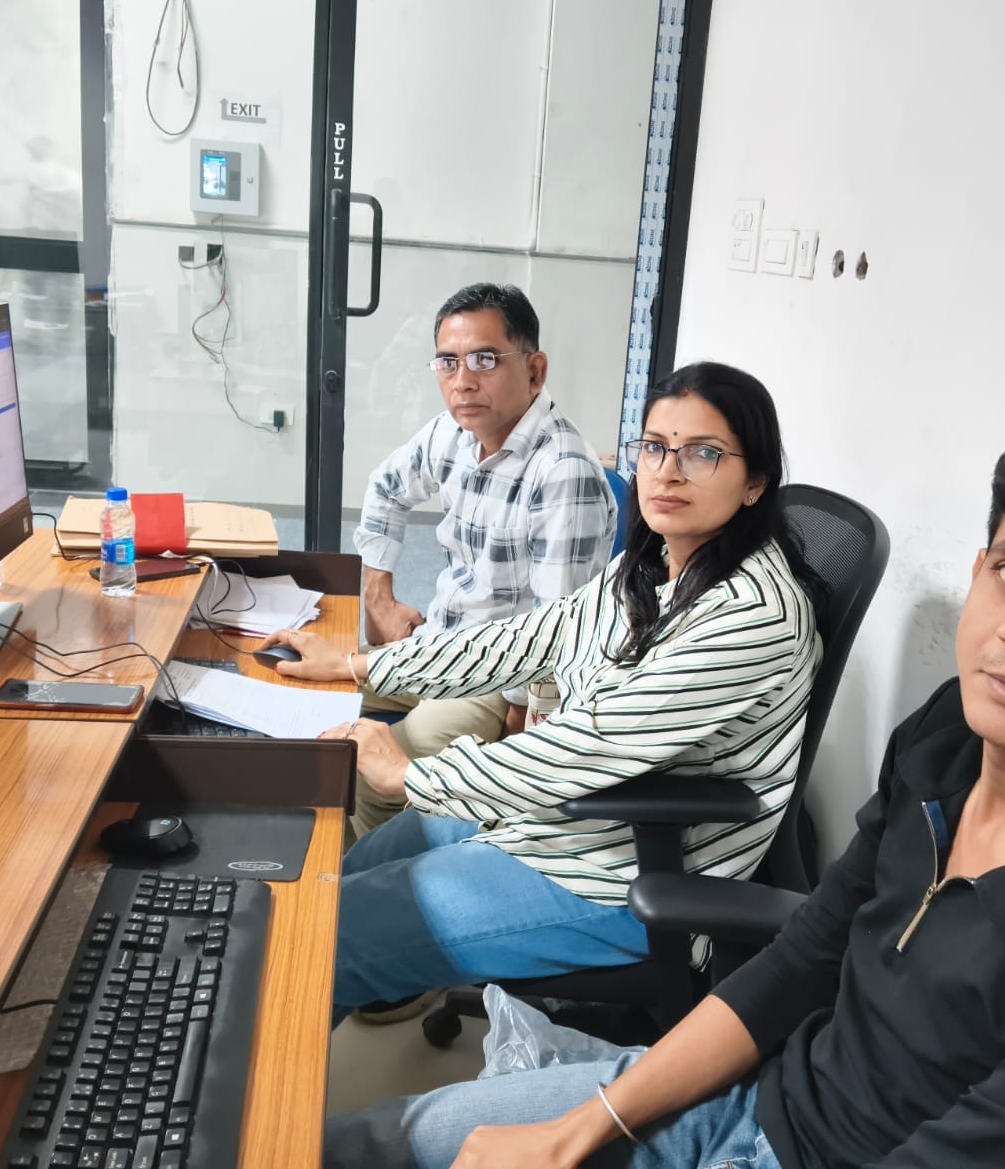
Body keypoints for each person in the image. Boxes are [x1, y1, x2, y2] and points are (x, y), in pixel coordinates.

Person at [321, 415, 1005, 1169]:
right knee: (377, 1142)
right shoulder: (950, 739)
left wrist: (416, 769)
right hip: (758, 1096)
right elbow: (808, 955)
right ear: (982, 573)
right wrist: (587, 1125)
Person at [266, 362, 824, 1026]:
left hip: (617, 877)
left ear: (756, 481)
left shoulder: (751, 616)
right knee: (335, 879)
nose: (667, 472)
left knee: (325, 935)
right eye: (654, 447)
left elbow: (592, 744)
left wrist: (412, 774)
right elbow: (524, 640)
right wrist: (358, 664)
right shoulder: (650, 567)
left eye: (702, 453)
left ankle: (278, 1075)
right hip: (555, 823)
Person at [348, 282, 618, 840]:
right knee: (311, 690)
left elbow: (555, 633)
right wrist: (379, 599)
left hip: (497, 677)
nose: (463, 381)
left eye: (485, 360)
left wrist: (520, 726)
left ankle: (359, 881)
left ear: (535, 371)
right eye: (448, 362)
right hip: (439, 643)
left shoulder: (563, 472)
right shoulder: (455, 430)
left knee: (373, 766)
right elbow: (385, 488)